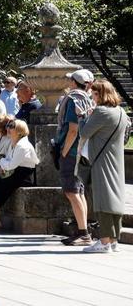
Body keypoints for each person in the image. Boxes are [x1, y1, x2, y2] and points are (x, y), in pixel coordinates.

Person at [78, 79, 129, 253]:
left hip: (101, 160)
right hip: (116, 160)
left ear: (100, 94)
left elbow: (84, 133)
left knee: (102, 199)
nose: (92, 96)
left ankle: (105, 241)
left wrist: (83, 117)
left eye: (93, 93)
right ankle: (114, 240)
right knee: (115, 198)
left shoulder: (101, 111)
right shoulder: (121, 111)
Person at [55, 69, 95, 246]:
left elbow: (73, 129)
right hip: (83, 150)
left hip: (72, 151)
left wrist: (64, 151)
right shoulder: (87, 98)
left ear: (73, 82)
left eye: (70, 80)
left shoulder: (73, 99)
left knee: (71, 191)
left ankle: (83, 233)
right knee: (78, 191)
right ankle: (83, 229)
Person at [0, 118, 38, 233]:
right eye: (9, 126)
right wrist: (4, 162)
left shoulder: (22, 146)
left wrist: (3, 162)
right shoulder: (15, 143)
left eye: (12, 127)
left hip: (23, 175)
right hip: (15, 173)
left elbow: (10, 164)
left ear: (19, 130)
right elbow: (7, 162)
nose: (8, 129)